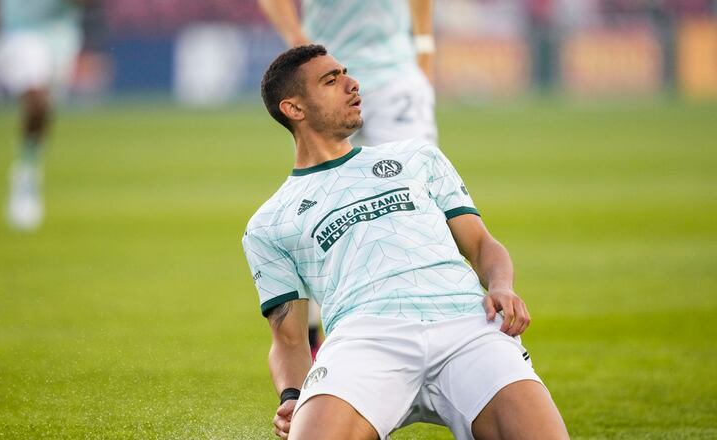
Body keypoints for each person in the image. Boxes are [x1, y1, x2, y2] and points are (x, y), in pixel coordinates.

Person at [242, 44, 569, 440]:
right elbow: (289, 339)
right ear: (294, 109)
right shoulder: (269, 222)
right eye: (331, 80)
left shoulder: (417, 156)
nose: (352, 83)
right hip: (364, 339)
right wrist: (292, 395)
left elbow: (482, 245)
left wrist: (501, 286)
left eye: (345, 72)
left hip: (468, 325)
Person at [258, 0, 438, 353]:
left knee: (418, 191)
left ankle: (432, 317)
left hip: (395, 77)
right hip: (324, 79)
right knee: (322, 200)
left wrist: (425, 46)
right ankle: (313, 333)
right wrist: (295, 36)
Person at [0, 0, 84, 231]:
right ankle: (25, 180)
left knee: (45, 109)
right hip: (19, 30)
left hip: (60, 33)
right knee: (37, 99)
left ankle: (29, 163)